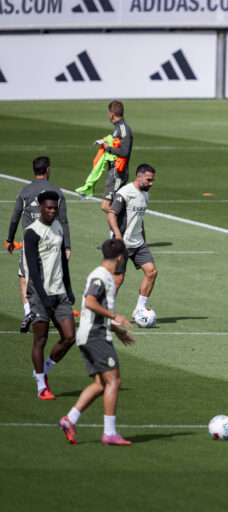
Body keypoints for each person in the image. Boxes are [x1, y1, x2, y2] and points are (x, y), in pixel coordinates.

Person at [58, 238, 136, 446]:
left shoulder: (102, 275)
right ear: (120, 258)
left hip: (90, 333)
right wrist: (115, 316)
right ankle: (109, 433)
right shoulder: (102, 277)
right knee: (114, 381)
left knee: (101, 383)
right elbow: (91, 303)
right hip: (95, 335)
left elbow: (91, 309)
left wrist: (117, 331)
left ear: (103, 254)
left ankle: (69, 419)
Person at [6, 156, 71, 333]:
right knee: (52, 276)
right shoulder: (57, 191)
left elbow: (15, 218)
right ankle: (54, 311)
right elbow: (63, 220)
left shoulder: (24, 191)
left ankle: (29, 312)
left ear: (34, 170)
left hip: (31, 243)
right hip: (53, 242)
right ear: (48, 170)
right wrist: (67, 246)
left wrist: (10, 239)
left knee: (25, 276)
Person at [23, 191, 77, 400]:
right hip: (39, 294)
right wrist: (44, 299)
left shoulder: (58, 228)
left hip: (59, 292)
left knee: (70, 337)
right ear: (40, 208)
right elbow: (33, 270)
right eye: (49, 208)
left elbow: (63, 261)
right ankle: (41, 386)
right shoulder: (32, 233)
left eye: (55, 208)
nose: (53, 211)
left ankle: (44, 370)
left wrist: (69, 289)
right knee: (41, 339)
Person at [106, 164, 157, 319]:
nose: (151, 183)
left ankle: (139, 309)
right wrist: (118, 236)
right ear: (139, 176)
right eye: (148, 180)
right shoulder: (125, 193)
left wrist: (144, 238)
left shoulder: (145, 194)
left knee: (151, 272)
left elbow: (139, 219)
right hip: (122, 243)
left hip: (138, 242)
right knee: (118, 279)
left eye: (153, 180)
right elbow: (111, 214)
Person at [98, 100, 133, 214]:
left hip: (118, 173)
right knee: (111, 206)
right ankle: (116, 230)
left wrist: (108, 148)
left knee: (107, 206)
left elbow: (124, 152)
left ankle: (126, 223)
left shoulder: (123, 128)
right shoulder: (118, 127)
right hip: (114, 172)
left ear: (111, 114)